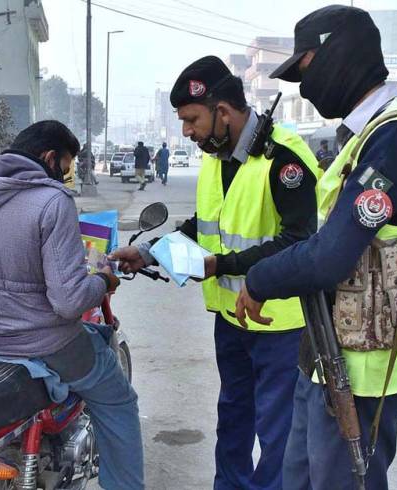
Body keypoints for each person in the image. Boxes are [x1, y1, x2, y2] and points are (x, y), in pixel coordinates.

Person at [234, 6, 397, 489]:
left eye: (305, 70)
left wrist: (261, 279)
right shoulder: (367, 135)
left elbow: (330, 255)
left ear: (338, 56)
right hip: (327, 355)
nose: (305, 89)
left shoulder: (395, 138)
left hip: (365, 368)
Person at [110, 56, 322, 490]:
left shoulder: (286, 159)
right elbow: (203, 228)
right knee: (233, 422)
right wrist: (149, 253)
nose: (187, 131)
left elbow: (298, 243)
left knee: (278, 436)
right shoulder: (216, 156)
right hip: (231, 320)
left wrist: (220, 265)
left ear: (223, 112)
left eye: (191, 120)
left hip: (279, 325)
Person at [0, 120, 144, 490]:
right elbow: (68, 302)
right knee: (119, 402)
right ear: (49, 157)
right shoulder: (51, 200)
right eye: (63, 169)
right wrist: (104, 281)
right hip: (50, 348)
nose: (63, 178)